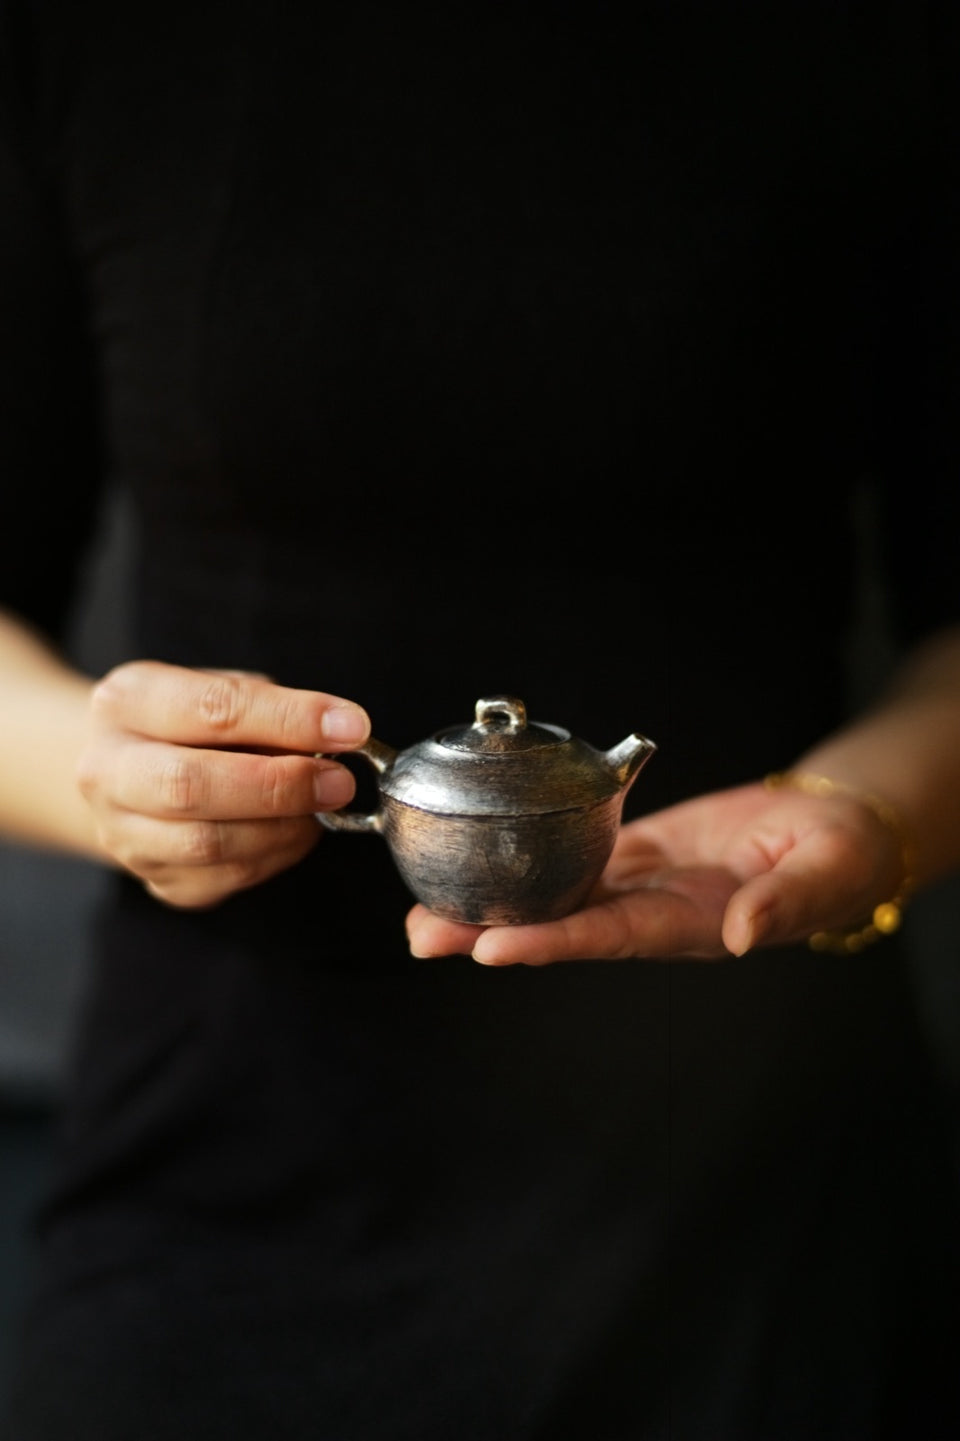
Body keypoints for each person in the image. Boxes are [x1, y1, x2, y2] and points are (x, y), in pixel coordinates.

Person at [1, 3, 959, 1437]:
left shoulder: (881, 28)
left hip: (763, 1166)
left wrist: (866, 823)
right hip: (217, 1173)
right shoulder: (89, 35)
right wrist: (104, 776)